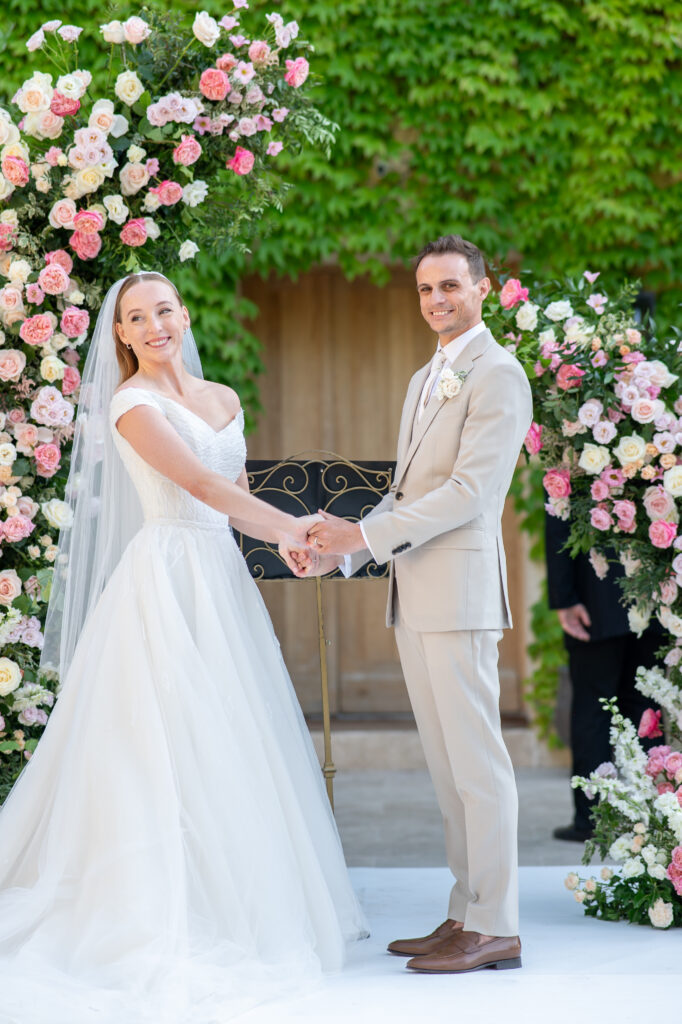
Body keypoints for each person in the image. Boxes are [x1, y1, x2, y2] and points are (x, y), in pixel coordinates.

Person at [0, 273, 367, 1024]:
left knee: (228, 739)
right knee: (159, 745)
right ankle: (155, 910)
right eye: (137, 318)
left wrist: (287, 547)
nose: (154, 324)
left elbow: (233, 494)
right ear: (124, 337)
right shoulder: (132, 406)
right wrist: (293, 528)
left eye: (163, 309)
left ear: (184, 313)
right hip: (165, 580)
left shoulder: (225, 399)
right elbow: (199, 483)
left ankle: (233, 899)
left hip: (219, 580)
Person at [286, 235, 532, 975]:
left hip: (458, 595)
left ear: (483, 289)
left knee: (479, 765)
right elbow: (405, 493)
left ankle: (497, 924)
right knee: (447, 767)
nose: (437, 300)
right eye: (426, 289)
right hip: (414, 593)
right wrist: (347, 550)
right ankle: (465, 912)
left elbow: (469, 494)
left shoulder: (499, 374)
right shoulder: (428, 375)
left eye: (451, 286)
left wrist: (362, 530)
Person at [546, 513, 662, 842]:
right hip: (652, 592)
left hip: (595, 596)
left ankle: (592, 818)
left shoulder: (569, 459)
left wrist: (564, 597)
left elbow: (559, 519)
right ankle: (655, 814)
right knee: (645, 707)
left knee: (594, 707)